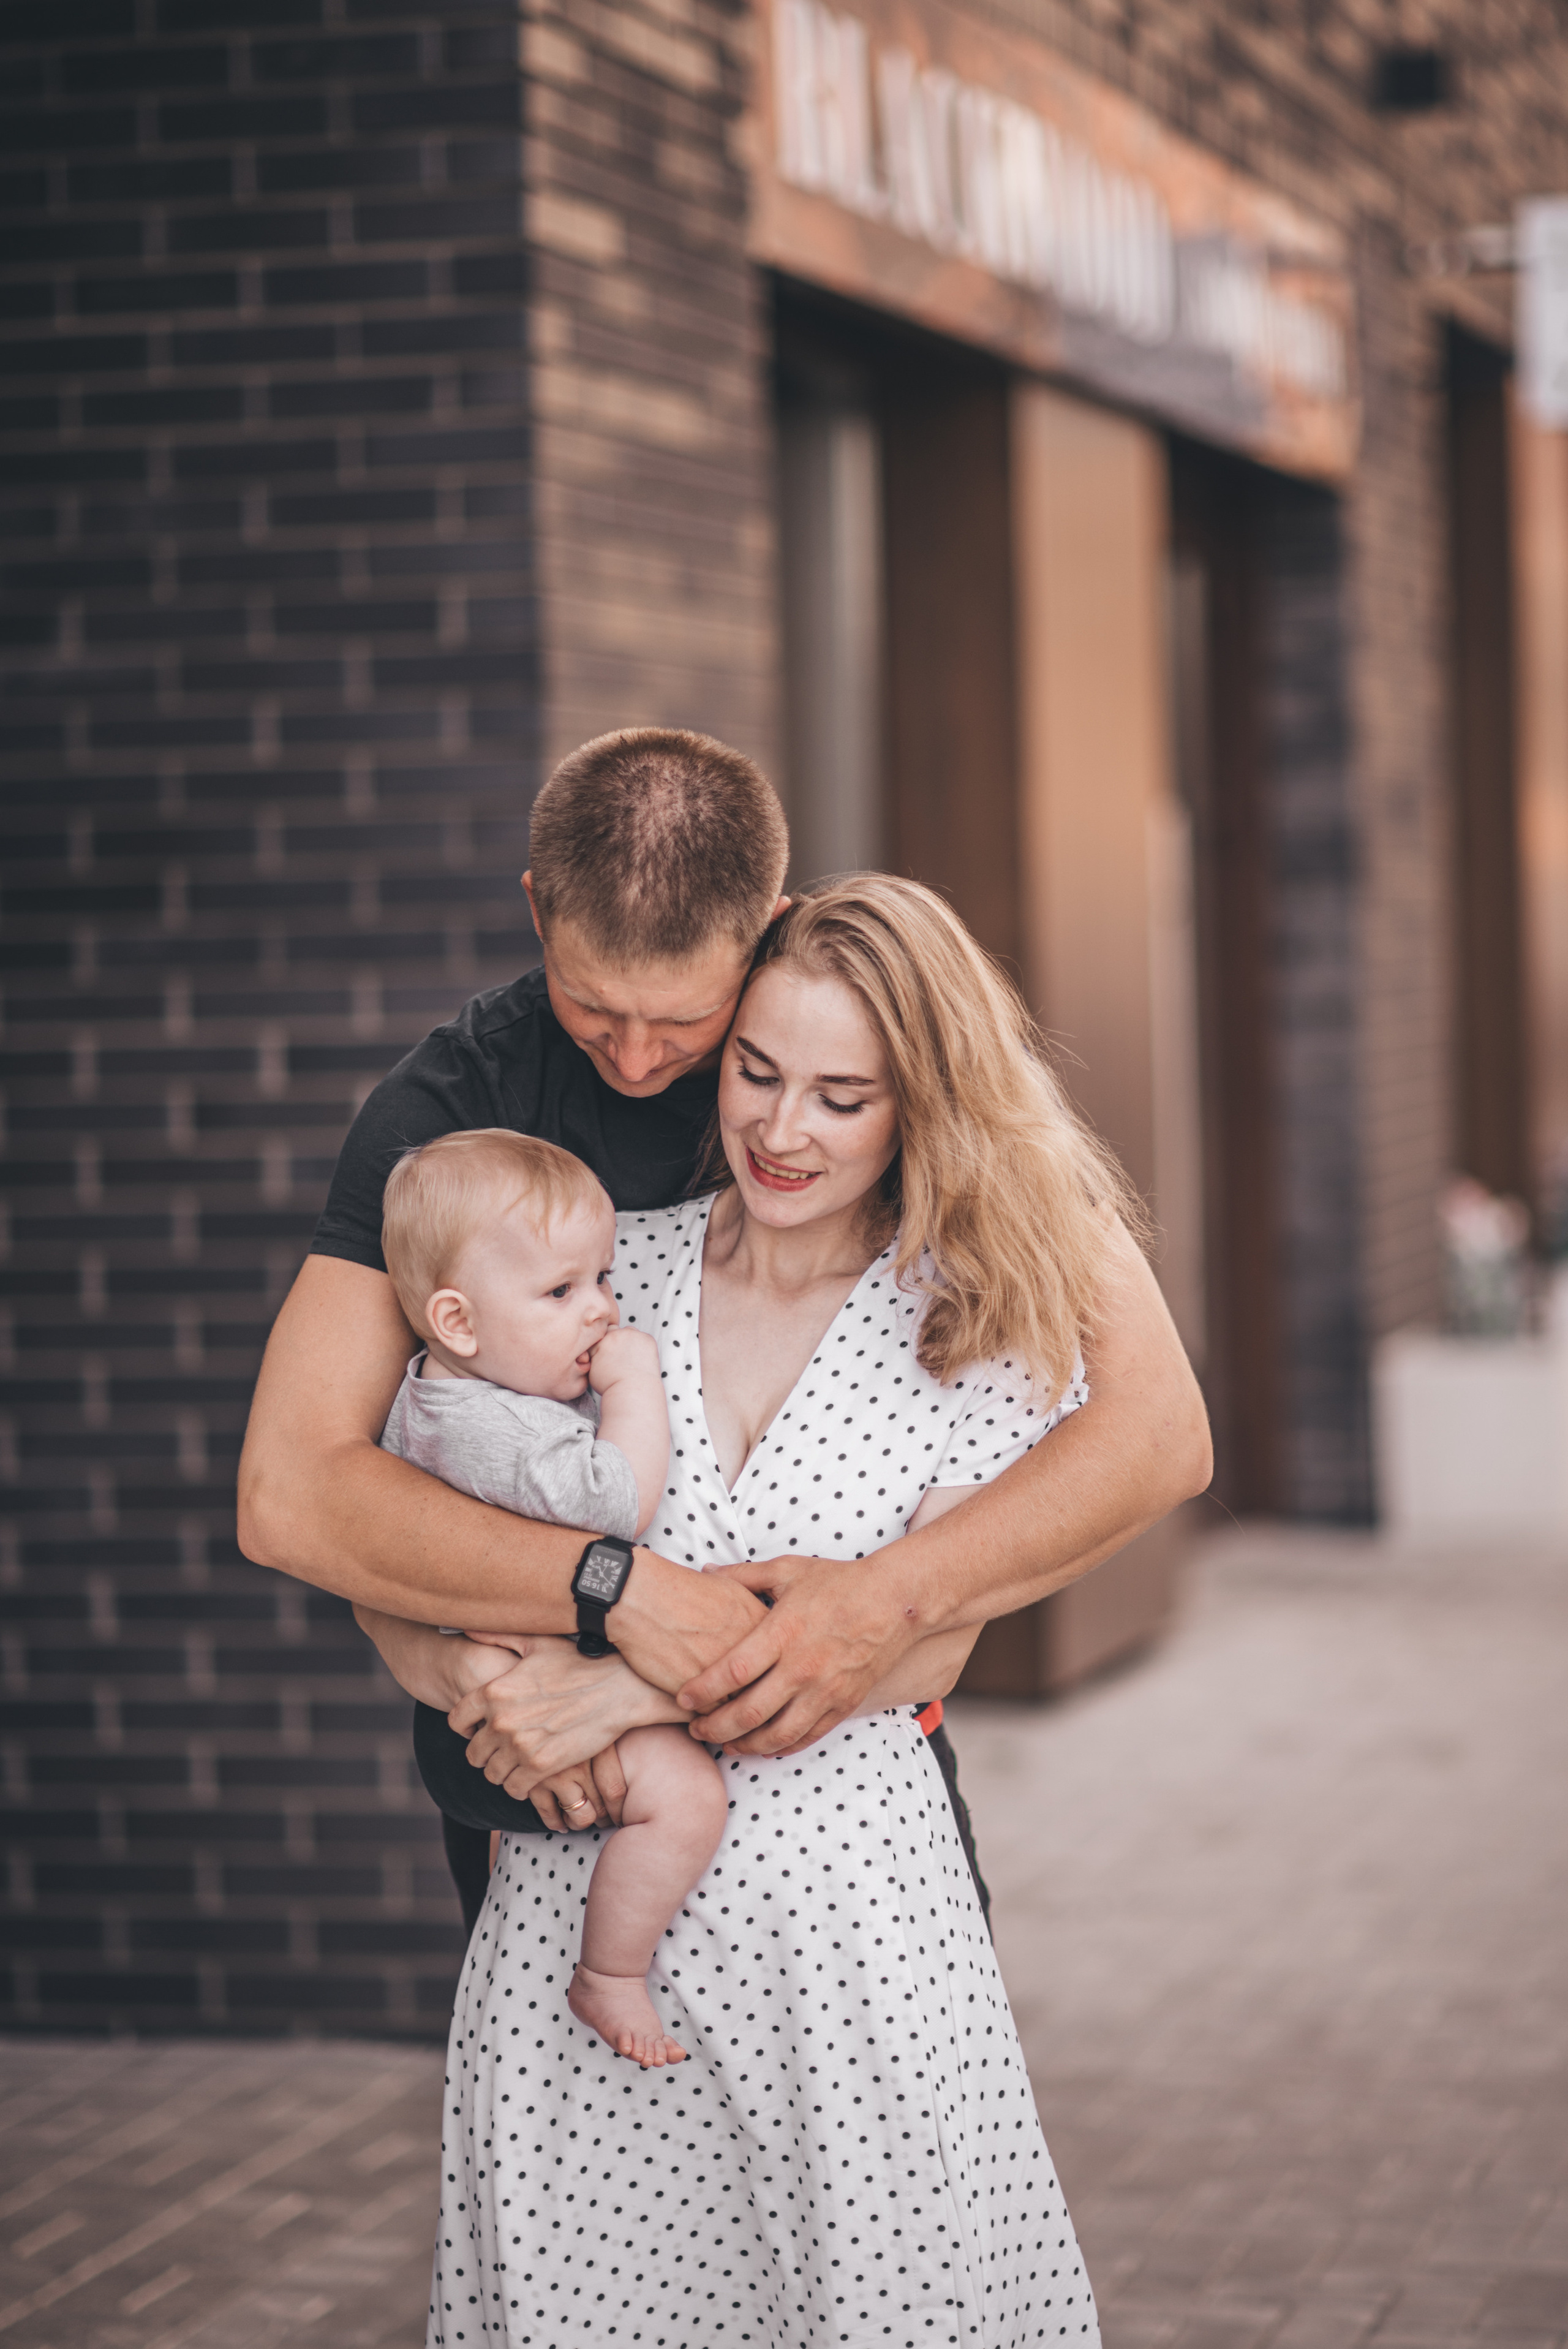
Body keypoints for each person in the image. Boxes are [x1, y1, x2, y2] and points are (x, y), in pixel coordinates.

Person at [238, 726, 1210, 1935]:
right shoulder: (458, 1107)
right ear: (537, 912)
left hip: (843, 1837)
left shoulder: (865, 1053)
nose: (639, 1062)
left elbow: (1155, 1427)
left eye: (688, 1025)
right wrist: (594, 1597)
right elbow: (296, 1488)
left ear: (767, 926)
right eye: (593, 1011)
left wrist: (883, 1603)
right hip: (551, 1817)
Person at [398, 874, 1115, 2345]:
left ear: (919, 1103)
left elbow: (925, 1640)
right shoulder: (601, 1281)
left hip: (850, 1938)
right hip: (582, 1943)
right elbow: (422, 1535)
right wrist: (467, 1676)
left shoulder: (966, 1327)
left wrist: (613, 1687)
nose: (783, 1131)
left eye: (843, 1096)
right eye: (759, 1072)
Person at [375, 1127, 726, 2068]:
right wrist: (634, 1383)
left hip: (484, 1690)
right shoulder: (497, 1431)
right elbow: (619, 1501)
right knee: (688, 1799)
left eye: (603, 1279)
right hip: (517, 1701)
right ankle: (610, 1973)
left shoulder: (434, 1397)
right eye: (563, 1292)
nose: (602, 1311)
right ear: (458, 1322)